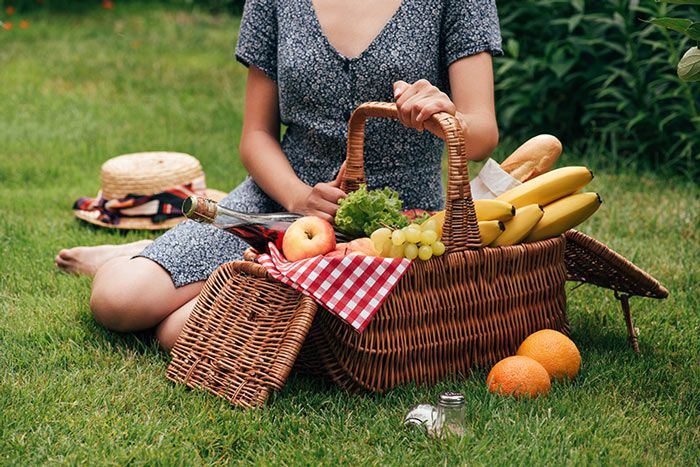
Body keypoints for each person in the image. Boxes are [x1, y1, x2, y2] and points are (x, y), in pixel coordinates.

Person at [56, 0, 505, 351]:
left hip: (394, 225)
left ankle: (164, 254)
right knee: (117, 300)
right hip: (281, 199)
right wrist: (297, 196)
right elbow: (255, 135)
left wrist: (446, 114)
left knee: (177, 332)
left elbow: (483, 133)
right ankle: (146, 255)